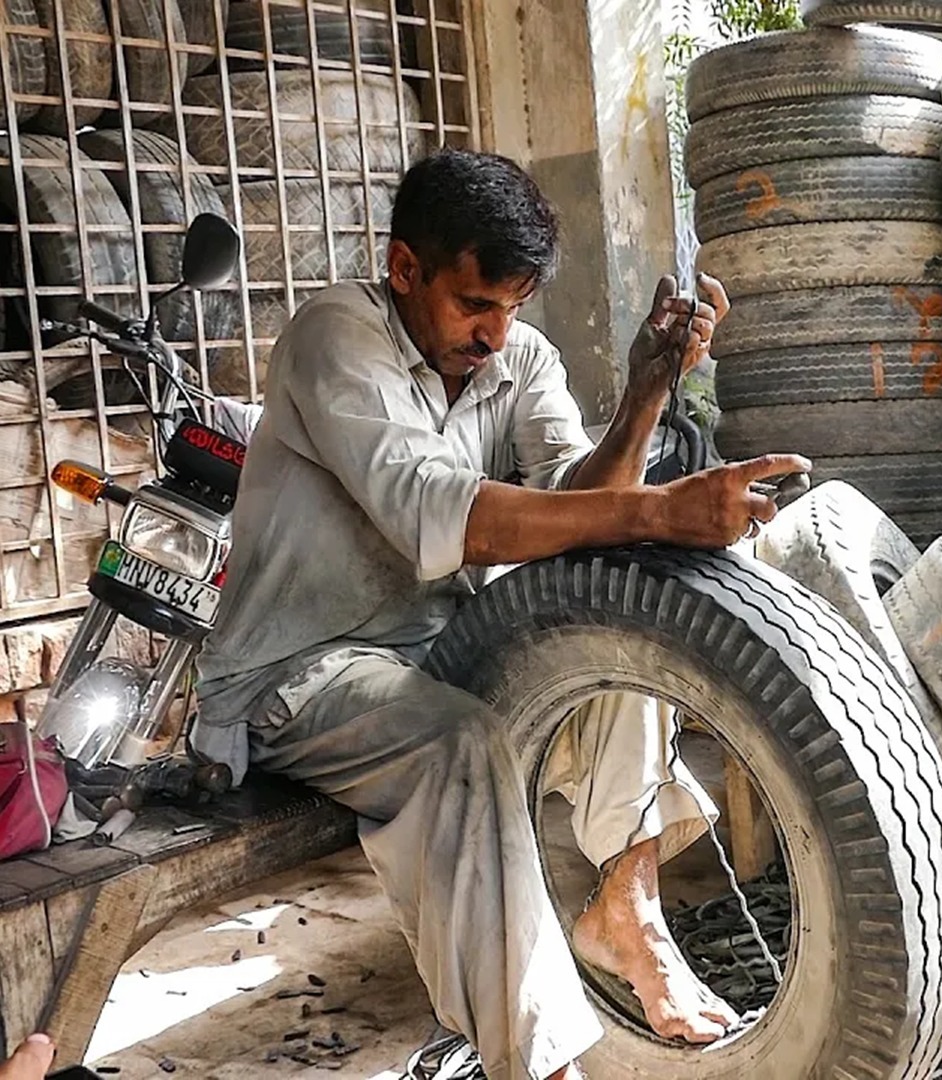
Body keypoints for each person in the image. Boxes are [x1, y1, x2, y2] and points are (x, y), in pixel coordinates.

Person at [191, 148, 809, 1080]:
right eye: (475, 304)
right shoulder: (334, 338)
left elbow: (577, 503)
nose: (494, 332)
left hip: (438, 646)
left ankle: (625, 909)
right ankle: (540, 1065)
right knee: (460, 743)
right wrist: (658, 507)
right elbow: (445, 515)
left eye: (512, 307)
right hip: (300, 671)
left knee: (624, 603)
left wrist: (645, 393)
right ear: (407, 270)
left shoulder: (516, 355)